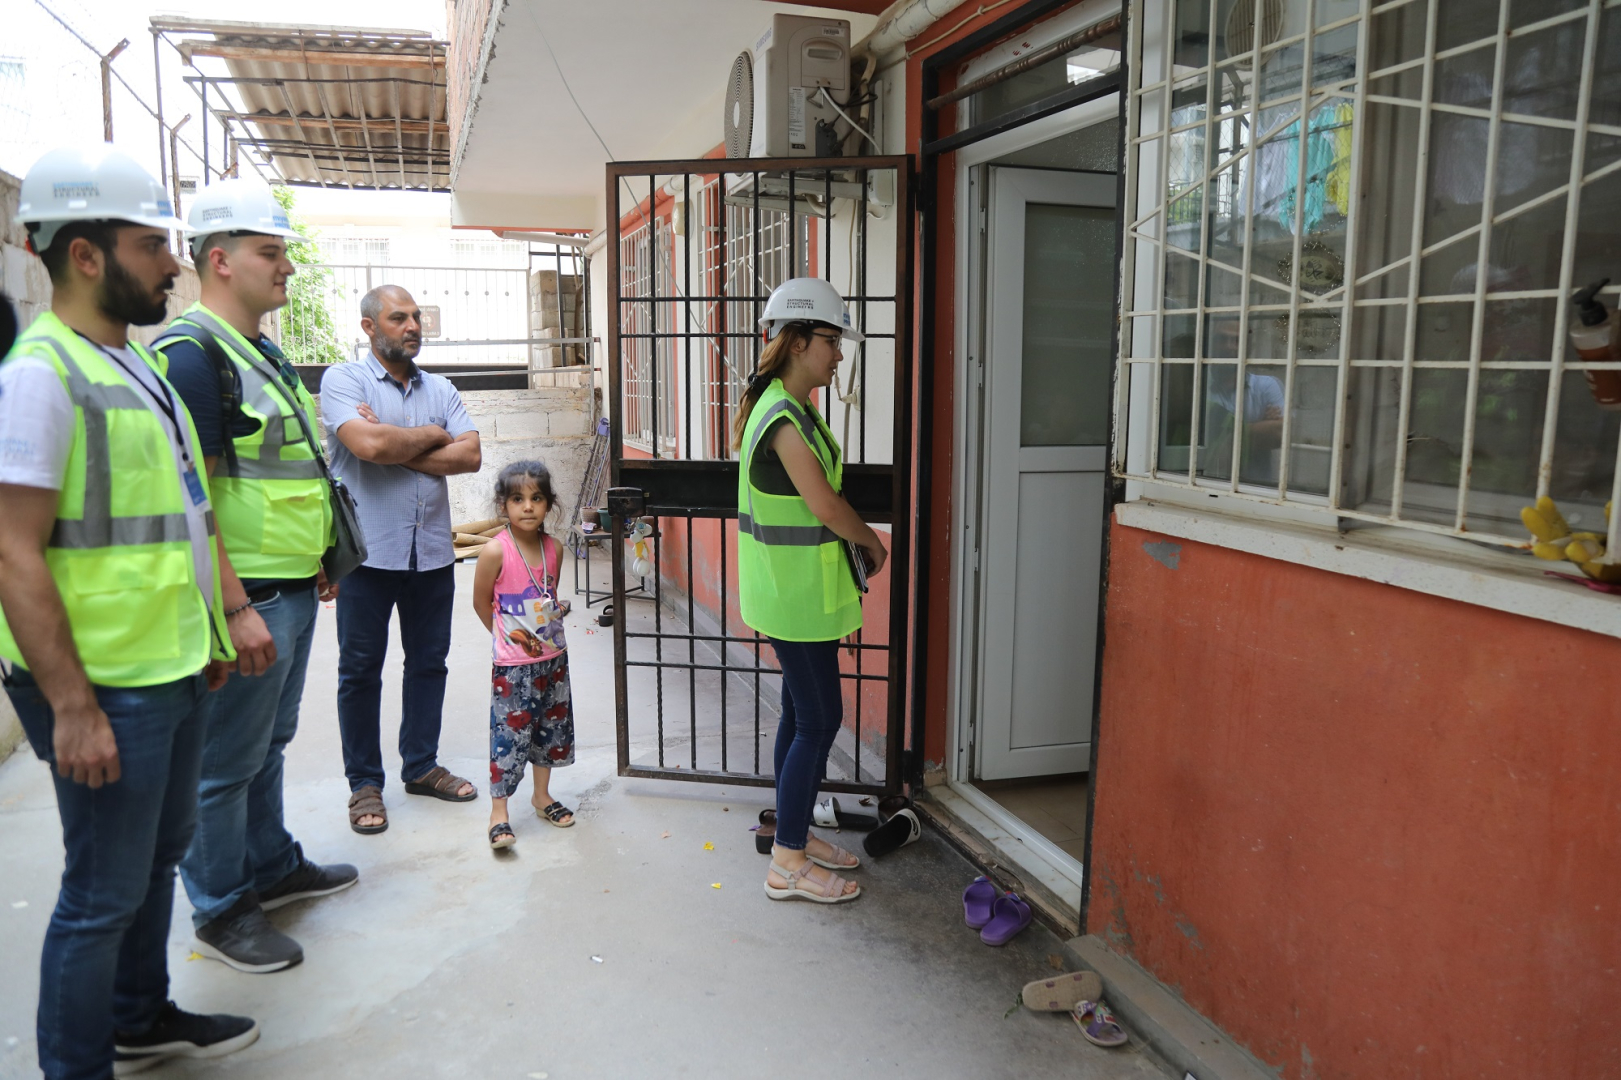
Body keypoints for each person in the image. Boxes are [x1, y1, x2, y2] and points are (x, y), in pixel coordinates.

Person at [0, 144, 257, 1079]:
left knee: (156, 858)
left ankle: (138, 1017)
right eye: (152, 245)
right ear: (85, 254)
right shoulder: (40, 375)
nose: (173, 264)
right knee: (100, 894)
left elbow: (181, 514)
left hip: (170, 664)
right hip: (102, 683)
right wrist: (72, 705)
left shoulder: (134, 364)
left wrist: (214, 630)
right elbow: (12, 550)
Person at [155, 178, 358, 975]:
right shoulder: (192, 357)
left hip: (290, 584)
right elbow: (193, 501)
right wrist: (234, 606)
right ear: (220, 260)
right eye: (270, 252)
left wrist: (316, 561)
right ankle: (221, 909)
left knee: (267, 744)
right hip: (250, 597)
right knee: (222, 764)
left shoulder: (259, 350)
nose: (287, 268)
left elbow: (283, 470)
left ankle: (270, 867)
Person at [733, 277, 887, 905]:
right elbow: (824, 504)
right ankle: (788, 862)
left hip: (796, 594)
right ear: (796, 341)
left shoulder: (787, 407)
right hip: (793, 598)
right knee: (821, 720)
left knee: (801, 716)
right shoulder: (782, 416)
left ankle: (789, 833)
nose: (839, 354)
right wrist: (873, 541)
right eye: (831, 340)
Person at [321, 285, 482, 833]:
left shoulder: (441, 387)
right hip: (367, 555)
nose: (413, 326)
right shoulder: (344, 381)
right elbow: (369, 448)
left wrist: (398, 444)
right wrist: (433, 436)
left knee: (429, 664)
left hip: (432, 552)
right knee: (360, 671)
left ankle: (420, 766)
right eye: (398, 318)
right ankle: (365, 784)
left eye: (416, 317)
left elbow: (471, 455)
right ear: (370, 327)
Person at [471, 460, 577, 850]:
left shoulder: (555, 549)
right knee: (509, 737)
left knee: (550, 731)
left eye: (536, 498)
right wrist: (506, 641)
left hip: (553, 660)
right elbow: (481, 603)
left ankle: (542, 796)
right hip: (513, 669)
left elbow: (548, 596)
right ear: (504, 505)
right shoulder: (494, 552)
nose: (528, 507)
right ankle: (498, 813)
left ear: (549, 503)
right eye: (518, 499)